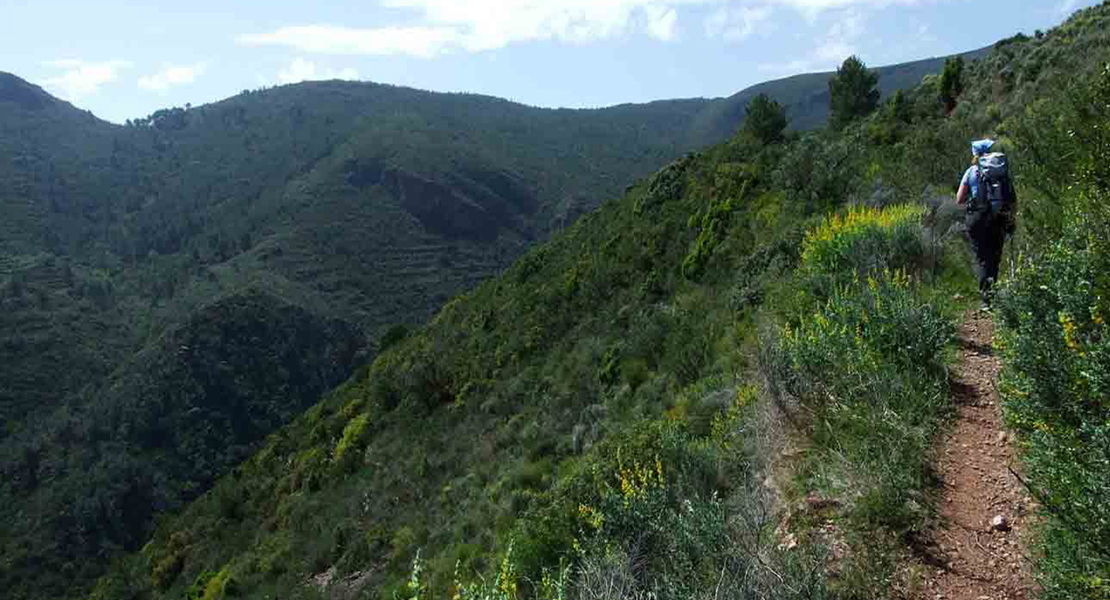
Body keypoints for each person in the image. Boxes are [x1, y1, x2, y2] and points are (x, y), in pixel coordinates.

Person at [956, 138, 1015, 311]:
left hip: (978, 219)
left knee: (983, 259)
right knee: (995, 258)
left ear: (975, 154)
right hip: (999, 218)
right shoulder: (1001, 171)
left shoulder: (971, 172)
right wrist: (1011, 220)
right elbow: (1012, 199)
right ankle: (992, 296)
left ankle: (986, 301)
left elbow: (959, 199)